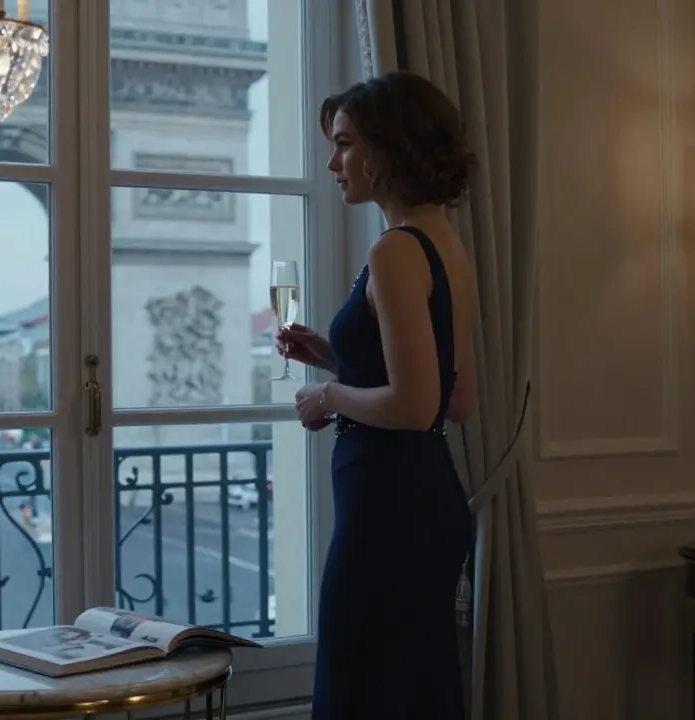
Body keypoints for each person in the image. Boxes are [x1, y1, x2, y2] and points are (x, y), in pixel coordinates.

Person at [279, 71, 480, 719]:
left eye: (344, 144)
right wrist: (334, 353)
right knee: (409, 687)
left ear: (389, 149)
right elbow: (456, 399)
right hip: (427, 498)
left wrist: (329, 394)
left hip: (386, 505)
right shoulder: (445, 243)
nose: (333, 163)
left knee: (359, 687)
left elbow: (417, 406)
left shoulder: (394, 251)